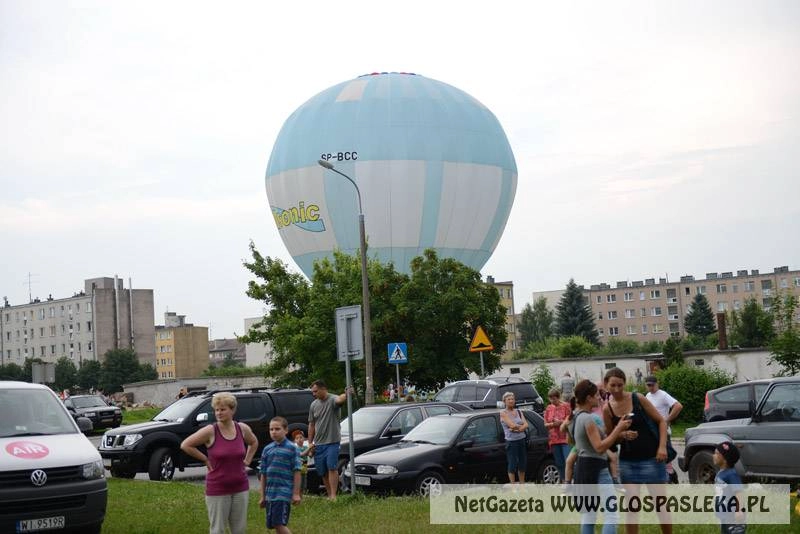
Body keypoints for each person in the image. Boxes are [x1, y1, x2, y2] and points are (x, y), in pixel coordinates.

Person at [602, 368, 672, 534]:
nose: (617, 389)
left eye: (620, 385)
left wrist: (662, 447)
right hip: (628, 462)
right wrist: (622, 434)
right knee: (632, 507)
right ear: (606, 385)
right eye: (613, 385)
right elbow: (611, 438)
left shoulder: (637, 398)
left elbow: (661, 421)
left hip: (652, 459)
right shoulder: (607, 409)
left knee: (660, 504)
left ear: (625, 383)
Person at [181, 392, 258, 534]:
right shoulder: (210, 430)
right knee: (218, 530)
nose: (219, 413)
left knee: (239, 530)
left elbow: (253, 442)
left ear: (232, 410)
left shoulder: (242, 428)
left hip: (240, 487)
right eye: (216, 410)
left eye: (223, 409)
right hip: (218, 488)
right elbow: (186, 445)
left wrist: (247, 460)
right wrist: (205, 459)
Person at [571, 379, 631, 534]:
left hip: (583, 468)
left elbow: (578, 441)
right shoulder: (588, 419)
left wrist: (620, 433)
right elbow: (599, 447)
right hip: (597, 469)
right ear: (589, 398)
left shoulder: (577, 417)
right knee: (611, 515)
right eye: (597, 395)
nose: (599, 397)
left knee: (589, 515)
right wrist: (618, 429)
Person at [307, 379, 350, 500]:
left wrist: (346, 394)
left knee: (332, 467)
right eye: (312, 392)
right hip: (318, 443)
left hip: (332, 442)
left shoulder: (332, 399)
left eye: (315, 391)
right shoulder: (313, 405)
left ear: (323, 389)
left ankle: (334, 496)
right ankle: (329, 494)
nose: (313, 394)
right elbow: (311, 424)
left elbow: (340, 399)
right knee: (323, 471)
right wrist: (310, 443)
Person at [260, 417, 302, 534]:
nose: (274, 432)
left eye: (277, 429)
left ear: (286, 430)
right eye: (271, 429)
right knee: (273, 524)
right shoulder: (267, 449)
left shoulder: (292, 448)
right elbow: (263, 474)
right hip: (270, 494)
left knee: (278, 523)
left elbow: (297, 471)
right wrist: (263, 496)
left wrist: (296, 493)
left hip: (283, 493)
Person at [645, 375, 683, 483]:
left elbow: (678, 406)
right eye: (648, 385)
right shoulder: (647, 396)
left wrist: (667, 420)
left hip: (663, 431)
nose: (651, 387)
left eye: (652, 385)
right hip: (652, 431)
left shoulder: (663, 395)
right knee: (657, 457)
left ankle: (671, 479)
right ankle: (667, 479)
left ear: (657, 384)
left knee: (666, 456)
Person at [714, 441, 746, 534]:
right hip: (725, 515)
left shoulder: (732, 475)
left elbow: (739, 492)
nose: (713, 455)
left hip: (732, 516)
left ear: (725, 459)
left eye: (716, 453)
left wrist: (739, 510)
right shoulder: (722, 472)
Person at [499, 391, 529, 484]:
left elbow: (526, 424)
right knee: (512, 463)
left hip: (522, 440)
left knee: (522, 463)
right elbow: (511, 425)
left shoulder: (519, 412)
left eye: (512, 399)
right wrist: (520, 427)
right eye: (509, 399)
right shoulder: (503, 413)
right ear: (504, 401)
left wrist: (519, 429)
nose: (511, 401)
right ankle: (513, 486)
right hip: (512, 442)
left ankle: (522, 484)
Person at [543, 388, 571, 482]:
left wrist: (561, 422)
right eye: (550, 398)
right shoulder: (548, 408)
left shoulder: (566, 406)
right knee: (559, 462)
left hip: (565, 438)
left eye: (554, 398)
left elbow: (570, 420)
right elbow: (545, 424)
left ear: (558, 397)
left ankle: (570, 480)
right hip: (554, 439)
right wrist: (553, 424)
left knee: (568, 460)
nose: (552, 401)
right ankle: (563, 480)